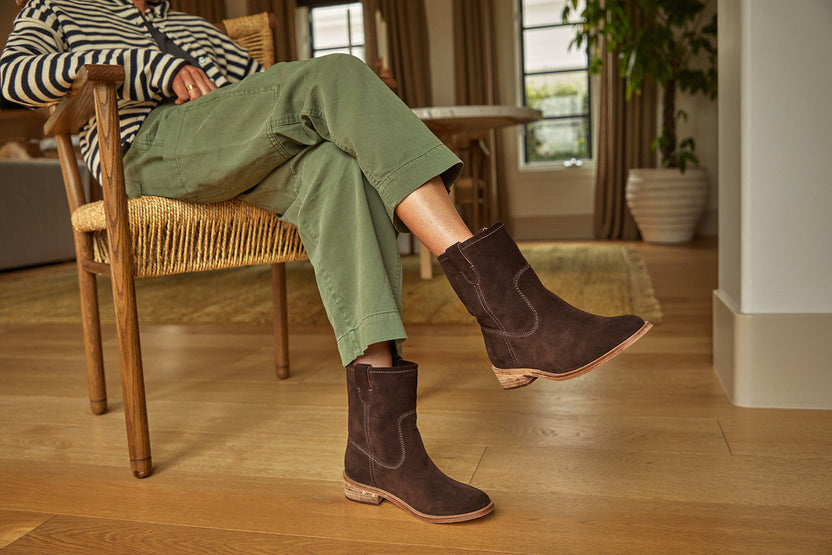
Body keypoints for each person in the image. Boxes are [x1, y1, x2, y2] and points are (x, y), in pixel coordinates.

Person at [1, 0, 651, 524]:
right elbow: (12, 77)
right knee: (337, 73)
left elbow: (265, 96)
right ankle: (512, 313)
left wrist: (364, 106)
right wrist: (147, 67)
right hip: (145, 147)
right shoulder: (58, 8)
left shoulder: (191, 24)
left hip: (233, 145)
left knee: (340, 168)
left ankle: (380, 451)